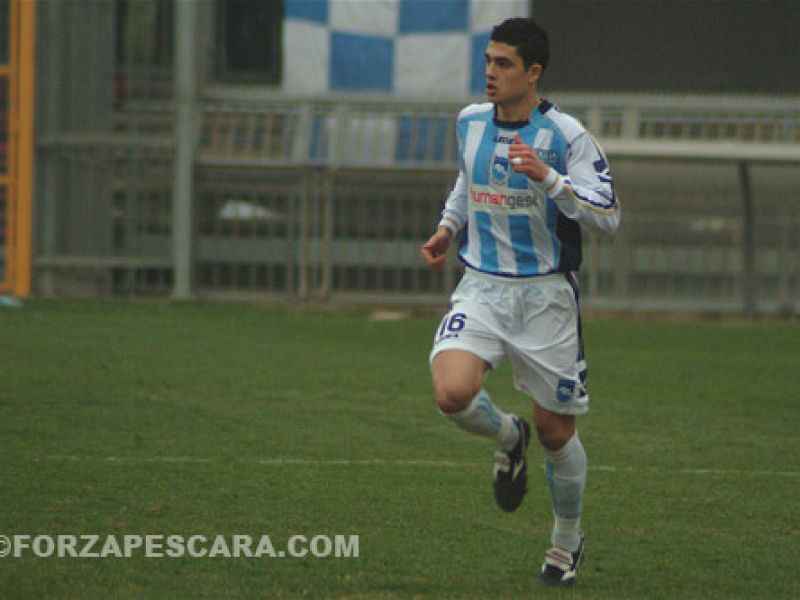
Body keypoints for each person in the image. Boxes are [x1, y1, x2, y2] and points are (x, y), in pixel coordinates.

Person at [420, 17, 620, 587]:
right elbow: (466, 180)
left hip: (545, 300)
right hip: (481, 286)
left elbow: (611, 214)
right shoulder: (470, 122)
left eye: (503, 64)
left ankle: (565, 540)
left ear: (533, 73)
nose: (490, 72)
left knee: (558, 433)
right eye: (488, 61)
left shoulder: (565, 135)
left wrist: (553, 182)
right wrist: (448, 226)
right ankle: (509, 438)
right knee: (451, 392)